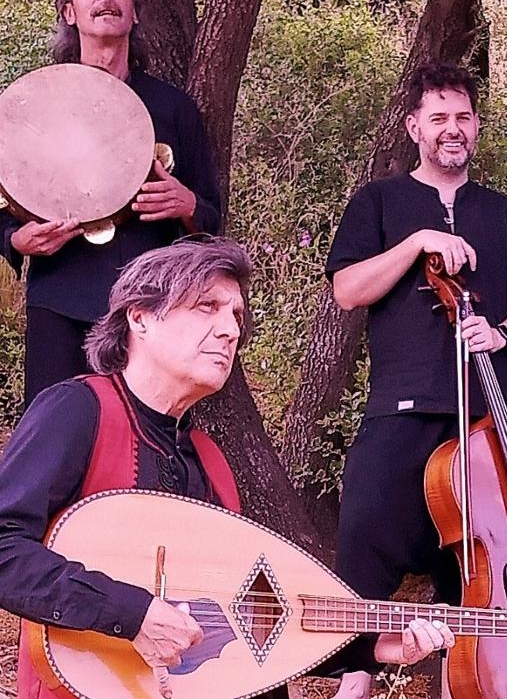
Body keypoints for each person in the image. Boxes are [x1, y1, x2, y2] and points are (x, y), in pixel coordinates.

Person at [0, 238, 450, 699]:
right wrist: (130, 613)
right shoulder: (78, 410)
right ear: (140, 317)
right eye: (206, 307)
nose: (230, 331)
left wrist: (374, 647)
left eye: (235, 315)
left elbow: (249, 617)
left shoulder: (211, 462)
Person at [326, 62, 507, 694]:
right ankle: (356, 677)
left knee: (484, 559)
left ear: (476, 126)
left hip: (488, 416)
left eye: (463, 117)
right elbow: (348, 289)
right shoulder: (378, 202)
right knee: (365, 534)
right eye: (439, 119)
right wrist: (416, 242)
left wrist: (501, 332)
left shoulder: (502, 212)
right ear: (414, 128)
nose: (452, 129)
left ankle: (477, 681)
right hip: (400, 407)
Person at [0, 0, 221, 409]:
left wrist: (188, 207)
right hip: (59, 297)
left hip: (151, 305)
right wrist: (17, 241)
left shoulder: (173, 108)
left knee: (143, 440)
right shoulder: (35, 103)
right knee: (54, 439)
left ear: (134, 13)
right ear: (70, 11)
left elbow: (211, 216)